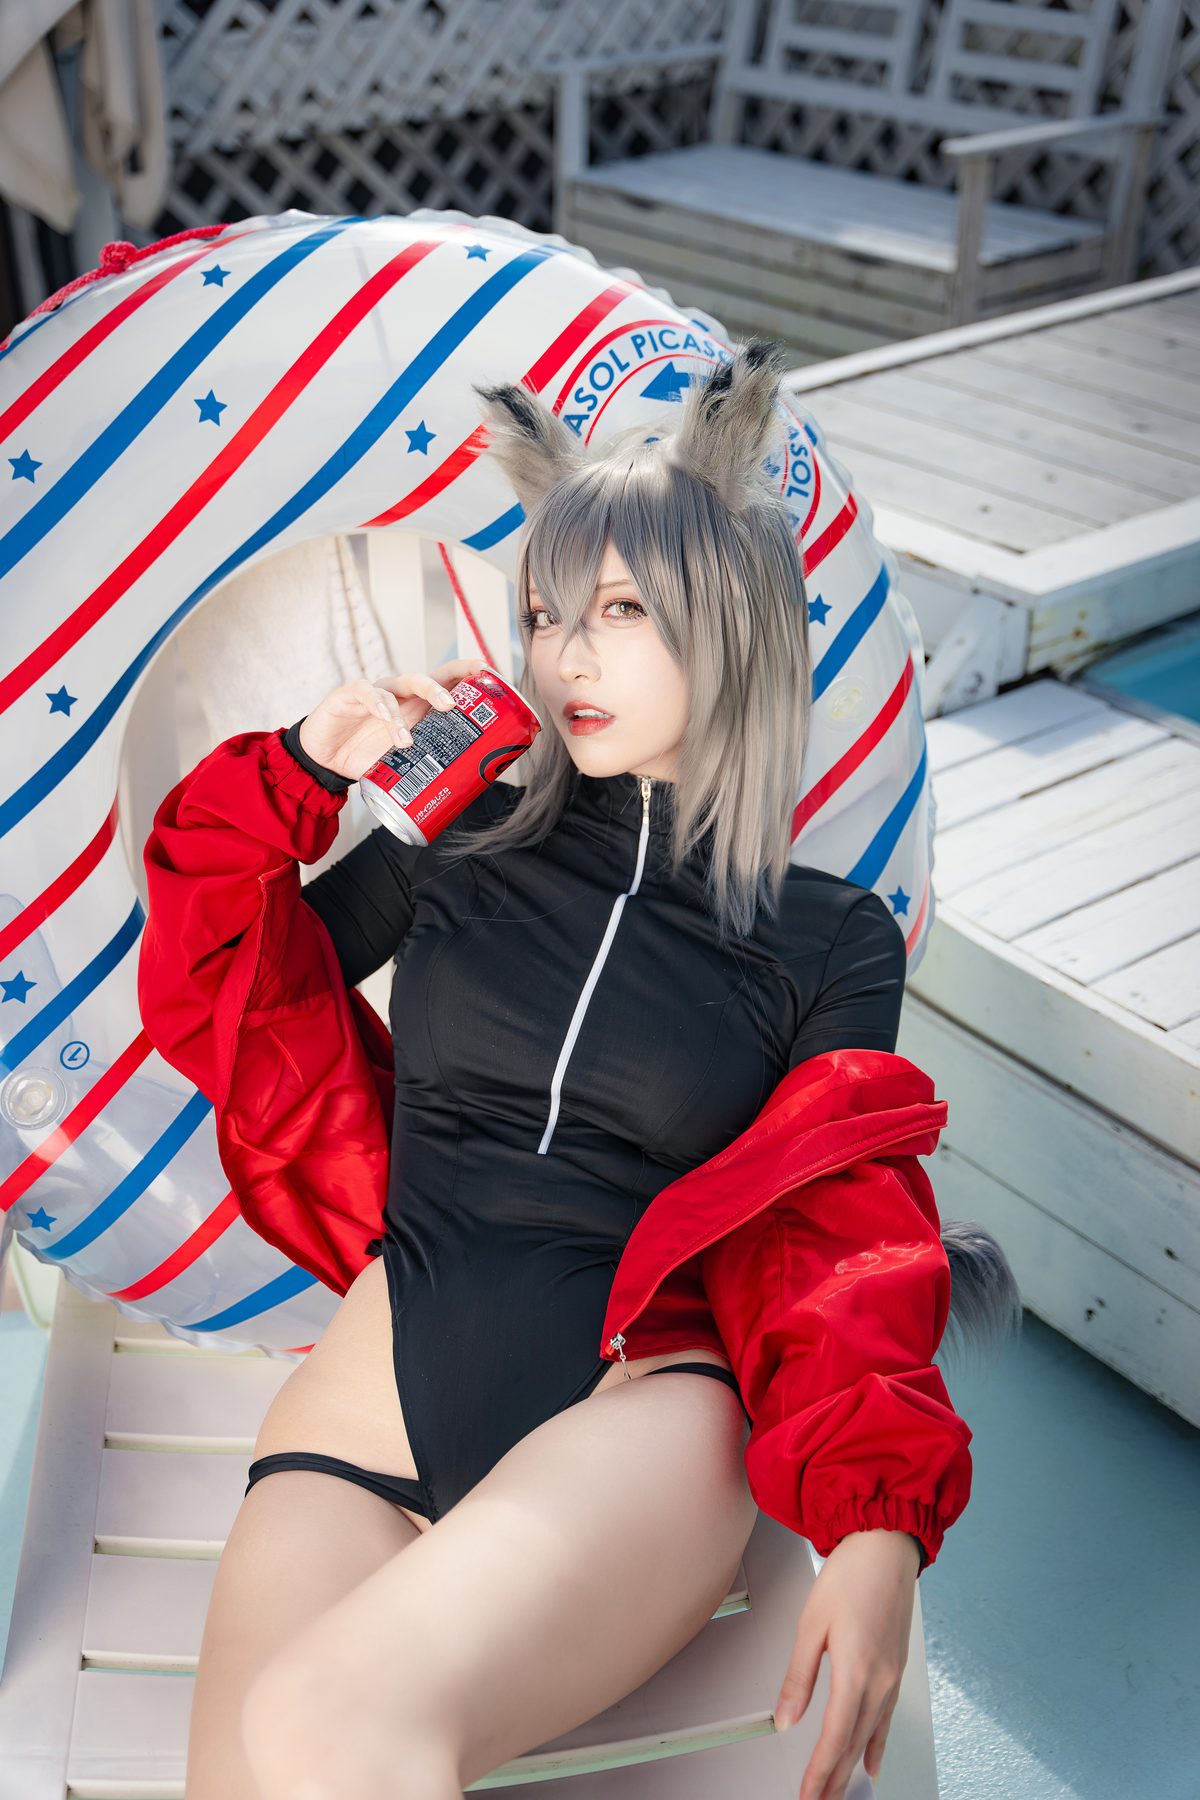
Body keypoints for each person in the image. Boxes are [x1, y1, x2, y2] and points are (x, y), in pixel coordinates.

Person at [145, 340, 1017, 1800]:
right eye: (549, 614)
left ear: (730, 624)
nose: (567, 658)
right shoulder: (463, 839)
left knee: (320, 1728)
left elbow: (836, 1224)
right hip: (377, 1385)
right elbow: (226, 989)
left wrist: (875, 1523)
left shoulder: (827, 937)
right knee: (242, 1774)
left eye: (620, 611)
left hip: (639, 1416)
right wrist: (300, 764)